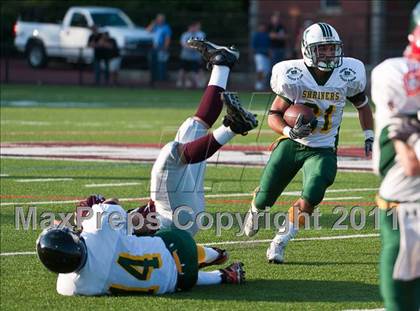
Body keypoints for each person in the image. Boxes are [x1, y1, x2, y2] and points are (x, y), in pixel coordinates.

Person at [243, 22, 374, 264]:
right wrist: (287, 131)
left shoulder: (347, 73)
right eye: (321, 49)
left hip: (323, 149)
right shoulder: (293, 75)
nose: (328, 54)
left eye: (331, 48)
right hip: (292, 143)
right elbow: (273, 114)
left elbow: (363, 105)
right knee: (264, 198)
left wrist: (369, 134)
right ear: (307, 50)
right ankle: (256, 209)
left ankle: (280, 241)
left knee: (313, 193)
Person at [150, 38, 258, 236]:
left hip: (180, 215)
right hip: (174, 219)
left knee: (193, 128)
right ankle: (233, 127)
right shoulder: (100, 238)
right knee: (171, 154)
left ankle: (222, 63)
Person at [36, 197, 245, 296]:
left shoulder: (68, 287)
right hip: (180, 249)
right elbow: (111, 202)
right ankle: (210, 254)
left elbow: (65, 253)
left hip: (178, 285)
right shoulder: (98, 232)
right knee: (157, 232)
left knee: (170, 274)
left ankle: (222, 276)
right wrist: (86, 212)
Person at [371, 22, 420, 311]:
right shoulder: (398, 71)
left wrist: (406, 137)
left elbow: (411, 165)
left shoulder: (396, 71)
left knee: (401, 290)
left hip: (406, 198)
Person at [177, 22, 206, 88]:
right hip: (185, 56)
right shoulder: (185, 34)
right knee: (183, 69)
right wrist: (192, 47)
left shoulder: (200, 34)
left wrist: (194, 47)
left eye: (194, 27)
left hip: (196, 57)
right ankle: (180, 82)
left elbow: (201, 44)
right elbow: (183, 44)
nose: (193, 29)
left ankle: (198, 83)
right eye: (191, 27)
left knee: (197, 70)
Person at [147, 14, 172, 83]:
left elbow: (167, 39)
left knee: (161, 65)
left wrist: (165, 48)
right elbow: (148, 31)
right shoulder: (155, 27)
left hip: (161, 48)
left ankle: (161, 80)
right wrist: (152, 24)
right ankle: (153, 79)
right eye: (158, 19)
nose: (159, 20)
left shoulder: (166, 27)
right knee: (153, 64)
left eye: (161, 19)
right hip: (154, 48)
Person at [251, 23, 271, 90]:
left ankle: (262, 83)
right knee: (260, 69)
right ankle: (258, 84)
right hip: (259, 54)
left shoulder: (267, 35)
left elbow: (269, 46)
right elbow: (253, 46)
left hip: (266, 55)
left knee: (267, 70)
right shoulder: (256, 35)